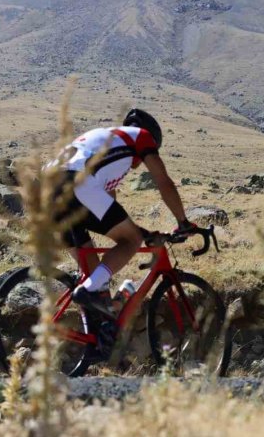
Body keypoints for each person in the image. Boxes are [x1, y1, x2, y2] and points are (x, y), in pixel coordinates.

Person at [53, 108, 194, 320]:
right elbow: (164, 182)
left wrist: (143, 232)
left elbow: (109, 216)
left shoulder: (108, 145)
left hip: (47, 189)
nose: (139, 165)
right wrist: (183, 223)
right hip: (77, 181)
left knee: (96, 280)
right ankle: (87, 290)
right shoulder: (141, 137)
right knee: (131, 240)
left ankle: (95, 344)